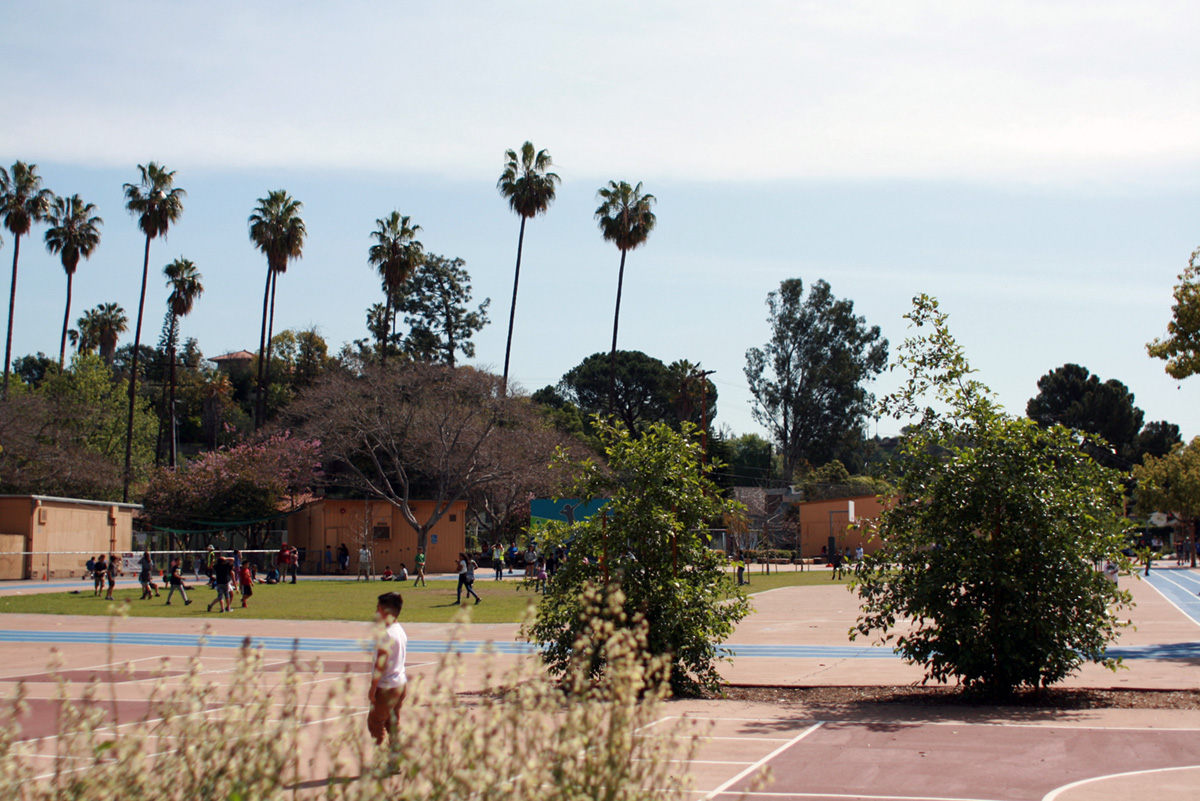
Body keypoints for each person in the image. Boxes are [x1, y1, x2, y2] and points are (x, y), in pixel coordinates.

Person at [367, 591, 408, 747]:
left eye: (379, 608)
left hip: (387, 687)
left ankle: (381, 758)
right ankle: (395, 756)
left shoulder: (386, 634)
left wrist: (372, 688)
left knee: (375, 722)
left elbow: (380, 663)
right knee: (392, 722)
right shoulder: (399, 630)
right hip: (400, 683)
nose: (376, 612)